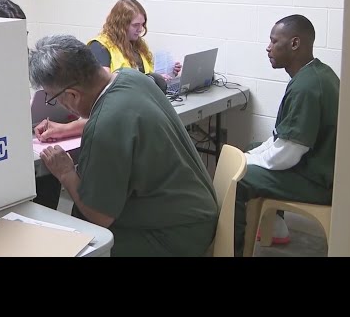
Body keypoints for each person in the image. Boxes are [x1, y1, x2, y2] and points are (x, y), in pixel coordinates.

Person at [29, 34, 219, 256]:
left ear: (72, 95)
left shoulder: (105, 127)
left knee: (83, 241)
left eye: (53, 98)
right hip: (195, 212)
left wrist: (66, 173)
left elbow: (100, 216)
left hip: (176, 235)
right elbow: (117, 117)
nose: (57, 104)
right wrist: (65, 128)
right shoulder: (130, 78)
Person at [234, 14, 340, 257]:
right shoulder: (317, 73)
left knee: (240, 178)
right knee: (253, 146)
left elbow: (288, 154)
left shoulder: (306, 87)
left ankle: (231, 250)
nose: (268, 48)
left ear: (294, 44)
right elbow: (283, 139)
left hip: (318, 181)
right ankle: (277, 229)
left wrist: (244, 161)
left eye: (274, 41)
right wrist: (251, 153)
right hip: (321, 166)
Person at [33, 0, 178, 143]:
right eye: (136, 25)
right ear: (121, 24)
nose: (140, 29)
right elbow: (104, 102)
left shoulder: (138, 46)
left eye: (142, 25)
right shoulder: (100, 47)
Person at [0, 0, 62, 211]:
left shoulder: (24, 59)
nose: (20, 41)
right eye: (12, 34)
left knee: (50, 177)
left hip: (29, 141)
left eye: (22, 34)